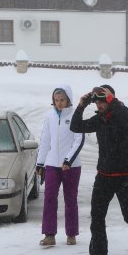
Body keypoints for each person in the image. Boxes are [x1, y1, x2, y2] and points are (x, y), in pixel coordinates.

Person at [70, 85, 128, 255]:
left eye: (102, 101)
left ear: (111, 99)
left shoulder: (124, 114)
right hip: (103, 177)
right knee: (97, 217)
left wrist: (112, 101)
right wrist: (81, 106)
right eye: (97, 102)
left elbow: (127, 120)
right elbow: (75, 127)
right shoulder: (100, 120)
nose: (99, 105)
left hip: (125, 176)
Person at [37, 85, 84, 246]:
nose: (59, 103)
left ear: (68, 99)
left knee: (70, 199)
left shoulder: (75, 116)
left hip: (71, 166)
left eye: (62, 100)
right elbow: (45, 141)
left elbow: (79, 140)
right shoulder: (50, 116)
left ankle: (71, 234)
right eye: (56, 100)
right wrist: (40, 163)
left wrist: (68, 160)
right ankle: (49, 235)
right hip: (52, 165)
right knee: (49, 198)